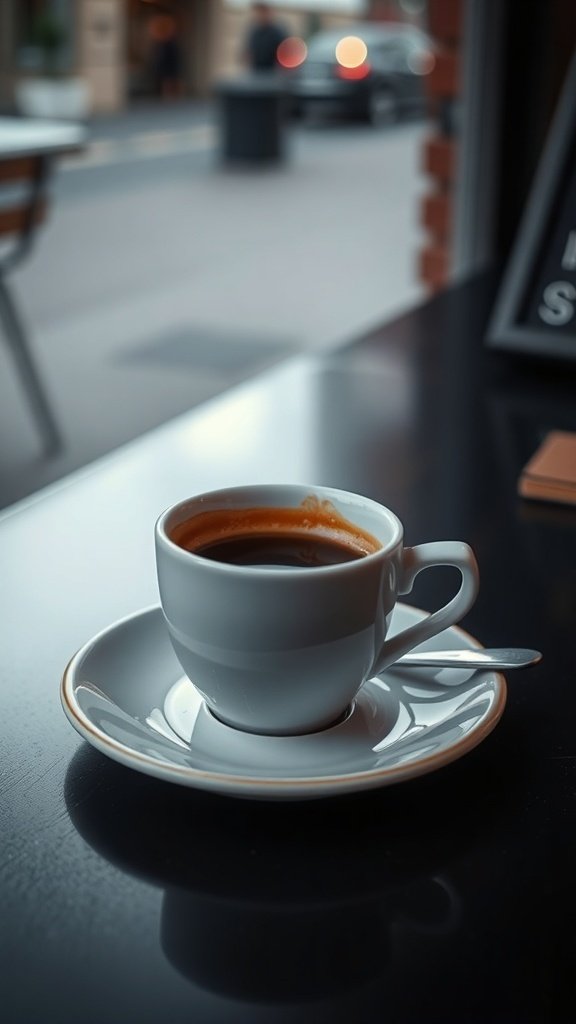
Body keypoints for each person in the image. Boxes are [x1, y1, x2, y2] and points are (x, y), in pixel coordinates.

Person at [244, 3, 288, 72]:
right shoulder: (254, 31)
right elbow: (249, 50)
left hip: (272, 71)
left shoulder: (277, 32)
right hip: (256, 69)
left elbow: (285, 52)